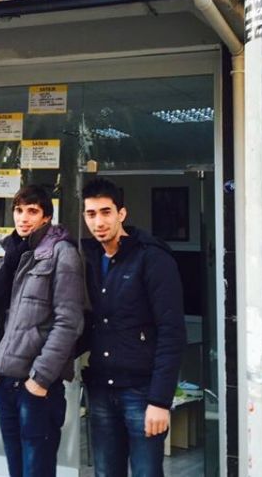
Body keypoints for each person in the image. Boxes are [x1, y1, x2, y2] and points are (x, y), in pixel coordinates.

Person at [80, 178, 186, 477]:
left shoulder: (152, 257)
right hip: (101, 388)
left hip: (142, 392)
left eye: (106, 212)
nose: (99, 222)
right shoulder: (90, 257)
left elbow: (172, 332)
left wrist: (160, 401)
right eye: (91, 214)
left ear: (121, 214)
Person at [0, 184, 84, 477]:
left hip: (36, 385)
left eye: (32, 211)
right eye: (18, 210)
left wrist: (40, 379)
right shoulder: (13, 254)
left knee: (37, 470)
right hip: (6, 380)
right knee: (16, 470)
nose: (23, 217)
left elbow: (69, 322)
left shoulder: (62, 252)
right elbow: (1, 317)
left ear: (46, 217)